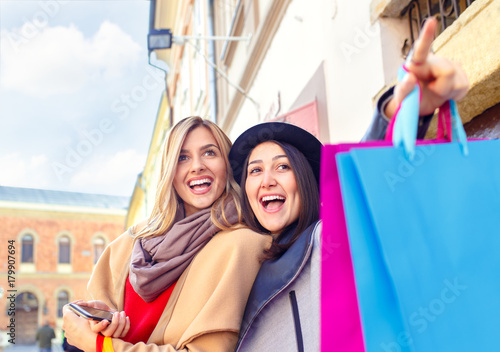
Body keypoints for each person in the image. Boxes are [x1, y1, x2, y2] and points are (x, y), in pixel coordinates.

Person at [229, 16, 469, 351]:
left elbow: (365, 193)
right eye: (255, 171)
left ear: (304, 181)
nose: (267, 180)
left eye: (282, 166)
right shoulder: (235, 265)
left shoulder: (326, 241)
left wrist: (399, 113)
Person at [62, 116, 271, 352]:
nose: (197, 166)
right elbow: (85, 332)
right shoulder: (130, 242)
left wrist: (101, 346)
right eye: (182, 157)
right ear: (169, 171)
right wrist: (98, 324)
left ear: (228, 165)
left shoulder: (243, 244)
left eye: (210, 153)